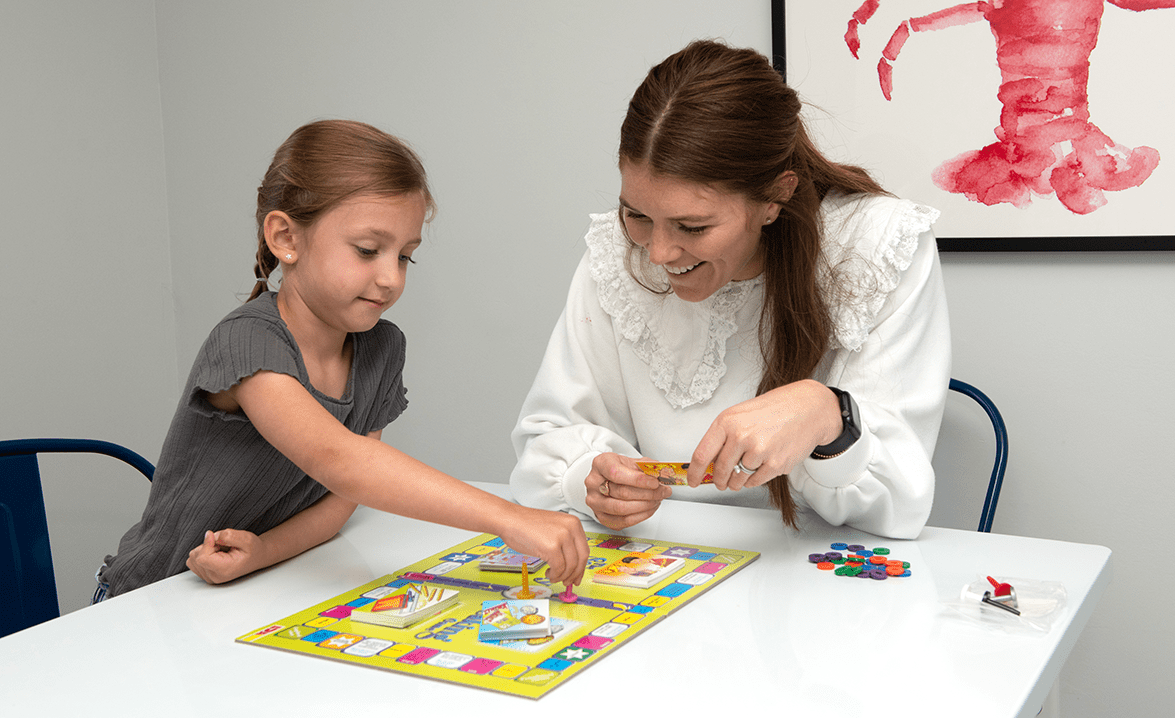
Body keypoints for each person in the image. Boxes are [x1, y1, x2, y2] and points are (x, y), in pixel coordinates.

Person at [97, 120, 587, 600]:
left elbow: (337, 506)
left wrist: (261, 551)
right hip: (148, 596)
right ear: (286, 238)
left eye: (404, 256)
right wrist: (508, 516)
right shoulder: (245, 341)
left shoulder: (380, 348)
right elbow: (343, 462)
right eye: (368, 250)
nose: (391, 278)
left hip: (244, 592)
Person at [510, 40, 951, 540]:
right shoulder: (617, 253)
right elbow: (550, 436)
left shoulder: (877, 247)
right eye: (636, 215)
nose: (657, 253)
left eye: (692, 227)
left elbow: (899, 506)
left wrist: (827, 414)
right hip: (662, 562)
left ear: (775, 197)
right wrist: (586, 479)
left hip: (821, 573)